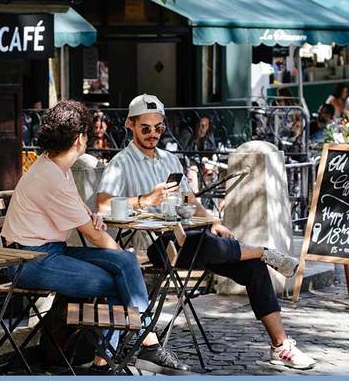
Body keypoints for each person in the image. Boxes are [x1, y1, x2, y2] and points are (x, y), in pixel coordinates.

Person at [96, 94, 317, 370]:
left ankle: (281, 346)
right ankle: (263, 250)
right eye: (146, 128)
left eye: (159, 127)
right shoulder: (120, 163)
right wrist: (145, 200)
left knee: (252, 267)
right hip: (148, 248)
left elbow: (191, 202)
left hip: (185, 240)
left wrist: (213, 221)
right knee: (207, 244)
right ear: (130, 124)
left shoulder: (169, 160)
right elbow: (102, 204)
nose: (153, 134)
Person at [1, 100, 190, 375]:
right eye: (87, 134)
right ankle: (136, 346)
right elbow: (95, 236)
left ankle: (115, 356)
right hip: (29, 260)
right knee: (117, 276)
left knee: (124, 264)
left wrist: (96, 222)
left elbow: (84, 217)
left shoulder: (56, 167)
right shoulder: (50, 176)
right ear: (79, 139)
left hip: (50, 251)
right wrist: (114, 252)